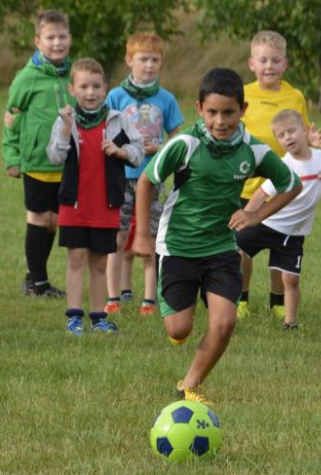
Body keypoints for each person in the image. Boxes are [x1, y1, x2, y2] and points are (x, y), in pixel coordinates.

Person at [132, 68, 301, 404]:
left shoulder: (252, 150)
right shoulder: (185, 144)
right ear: (199, 108)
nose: (220, 121)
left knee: (224, 323)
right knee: (178, 331)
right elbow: (146, 181)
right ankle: (182, 308)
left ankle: (191, 384)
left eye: (229, 112)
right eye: (212, 112)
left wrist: (256, 215)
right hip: (178, 246)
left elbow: (291, 185)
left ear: (243, 110)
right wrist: (141, 235)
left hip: (221, 247)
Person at [237, 109, 321, 329]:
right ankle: (235, 301)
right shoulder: (283, 167)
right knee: (235, 252)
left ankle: (290, 322)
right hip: (266, 224)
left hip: (293, 233)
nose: (288, 137)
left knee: (291, 280)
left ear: (305, 131)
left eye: (292, 131)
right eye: (281, 135)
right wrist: (245, 217)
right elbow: (260, 195)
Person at [46, 58, 144, 335]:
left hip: (107, 204)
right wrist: (65, 129)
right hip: (74, 205)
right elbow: (54, 156)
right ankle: (74, 317)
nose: (90, 92)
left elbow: (138, 151)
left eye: (96, 86)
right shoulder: (66, 120)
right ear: (73, 89)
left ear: (105, 89)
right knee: (76, 258)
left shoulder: (118, 120)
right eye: (84, 87)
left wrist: (121, 151)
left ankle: (99, 318)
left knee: (100, 262)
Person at [237, 30, 321, 321]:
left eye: (275, 60)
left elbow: (303, 131)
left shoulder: (294, 95)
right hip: (247, 184)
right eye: (263, 60)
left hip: (283, 187)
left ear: (285, 64)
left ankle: (277, 301)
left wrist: (313, 140)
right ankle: (241, 298)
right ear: (252, 63)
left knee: (279, 244)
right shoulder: (243, 94)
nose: (269, 66)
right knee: (240, 245)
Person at [104, 33, 183, 317]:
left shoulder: (167, 99)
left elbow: (177, 139)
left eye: (155, 59)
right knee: (118, 236)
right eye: (143, 59)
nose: (149, 65)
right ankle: (114, 295)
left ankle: (149, 299)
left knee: (149, 235)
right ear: (129, 61)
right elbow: (107, 132)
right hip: (120, 175)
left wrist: (158, 147)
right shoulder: (115, 95)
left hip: (152, 177)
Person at [3, 9, 74, 298]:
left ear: (70, 38)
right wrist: (12, 157)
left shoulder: (75, 74)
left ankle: (34, 277)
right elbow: (11, 117)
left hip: (67, 162)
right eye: (50, 37)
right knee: (38, 218)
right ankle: (39, 284)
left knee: (55, 221)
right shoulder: (27, 77)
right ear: (37, 40)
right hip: (34, 162)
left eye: (62, 36)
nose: (57, 42)